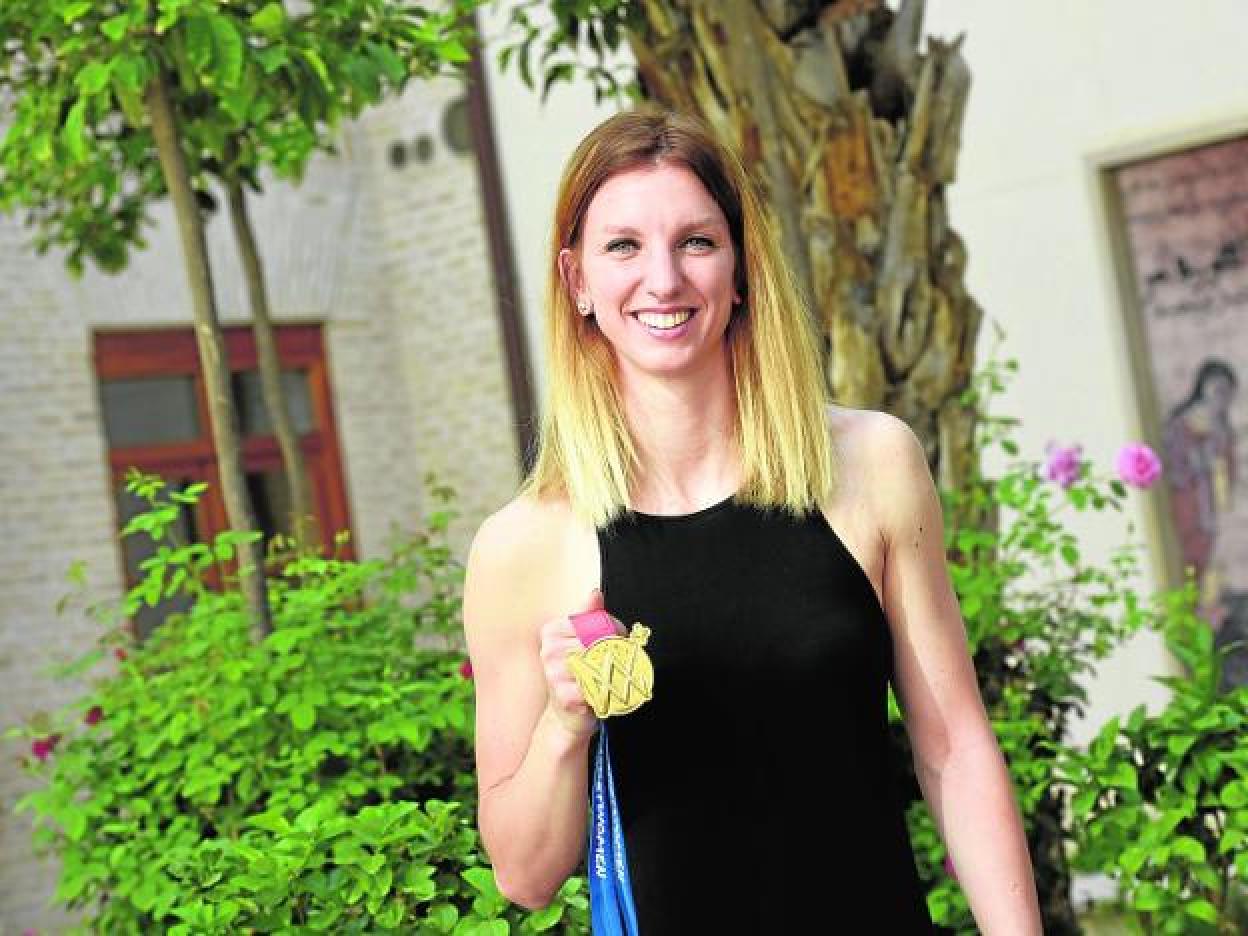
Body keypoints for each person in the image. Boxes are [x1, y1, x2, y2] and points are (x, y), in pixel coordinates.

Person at [462, 108, 1040, 934]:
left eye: (696, 242)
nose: (663, 279)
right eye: (623, 246)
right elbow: (524, 875)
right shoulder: (525, 546)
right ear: (577, 280)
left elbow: (953, 748)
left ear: (740, 270)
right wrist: (564, 725)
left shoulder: (870, 465)